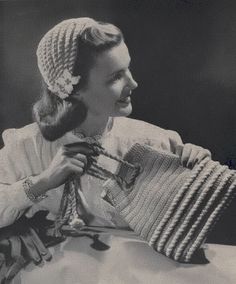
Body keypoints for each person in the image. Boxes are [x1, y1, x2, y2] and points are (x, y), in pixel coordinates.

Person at [0, 17, 211, 231]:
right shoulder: (28, 146)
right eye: (115, 77)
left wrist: (198, 175)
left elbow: (190, 223)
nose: (133, 83)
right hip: (60, 261)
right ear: (75, 89)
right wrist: (43, 181)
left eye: (128, 69)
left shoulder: (152, 142)